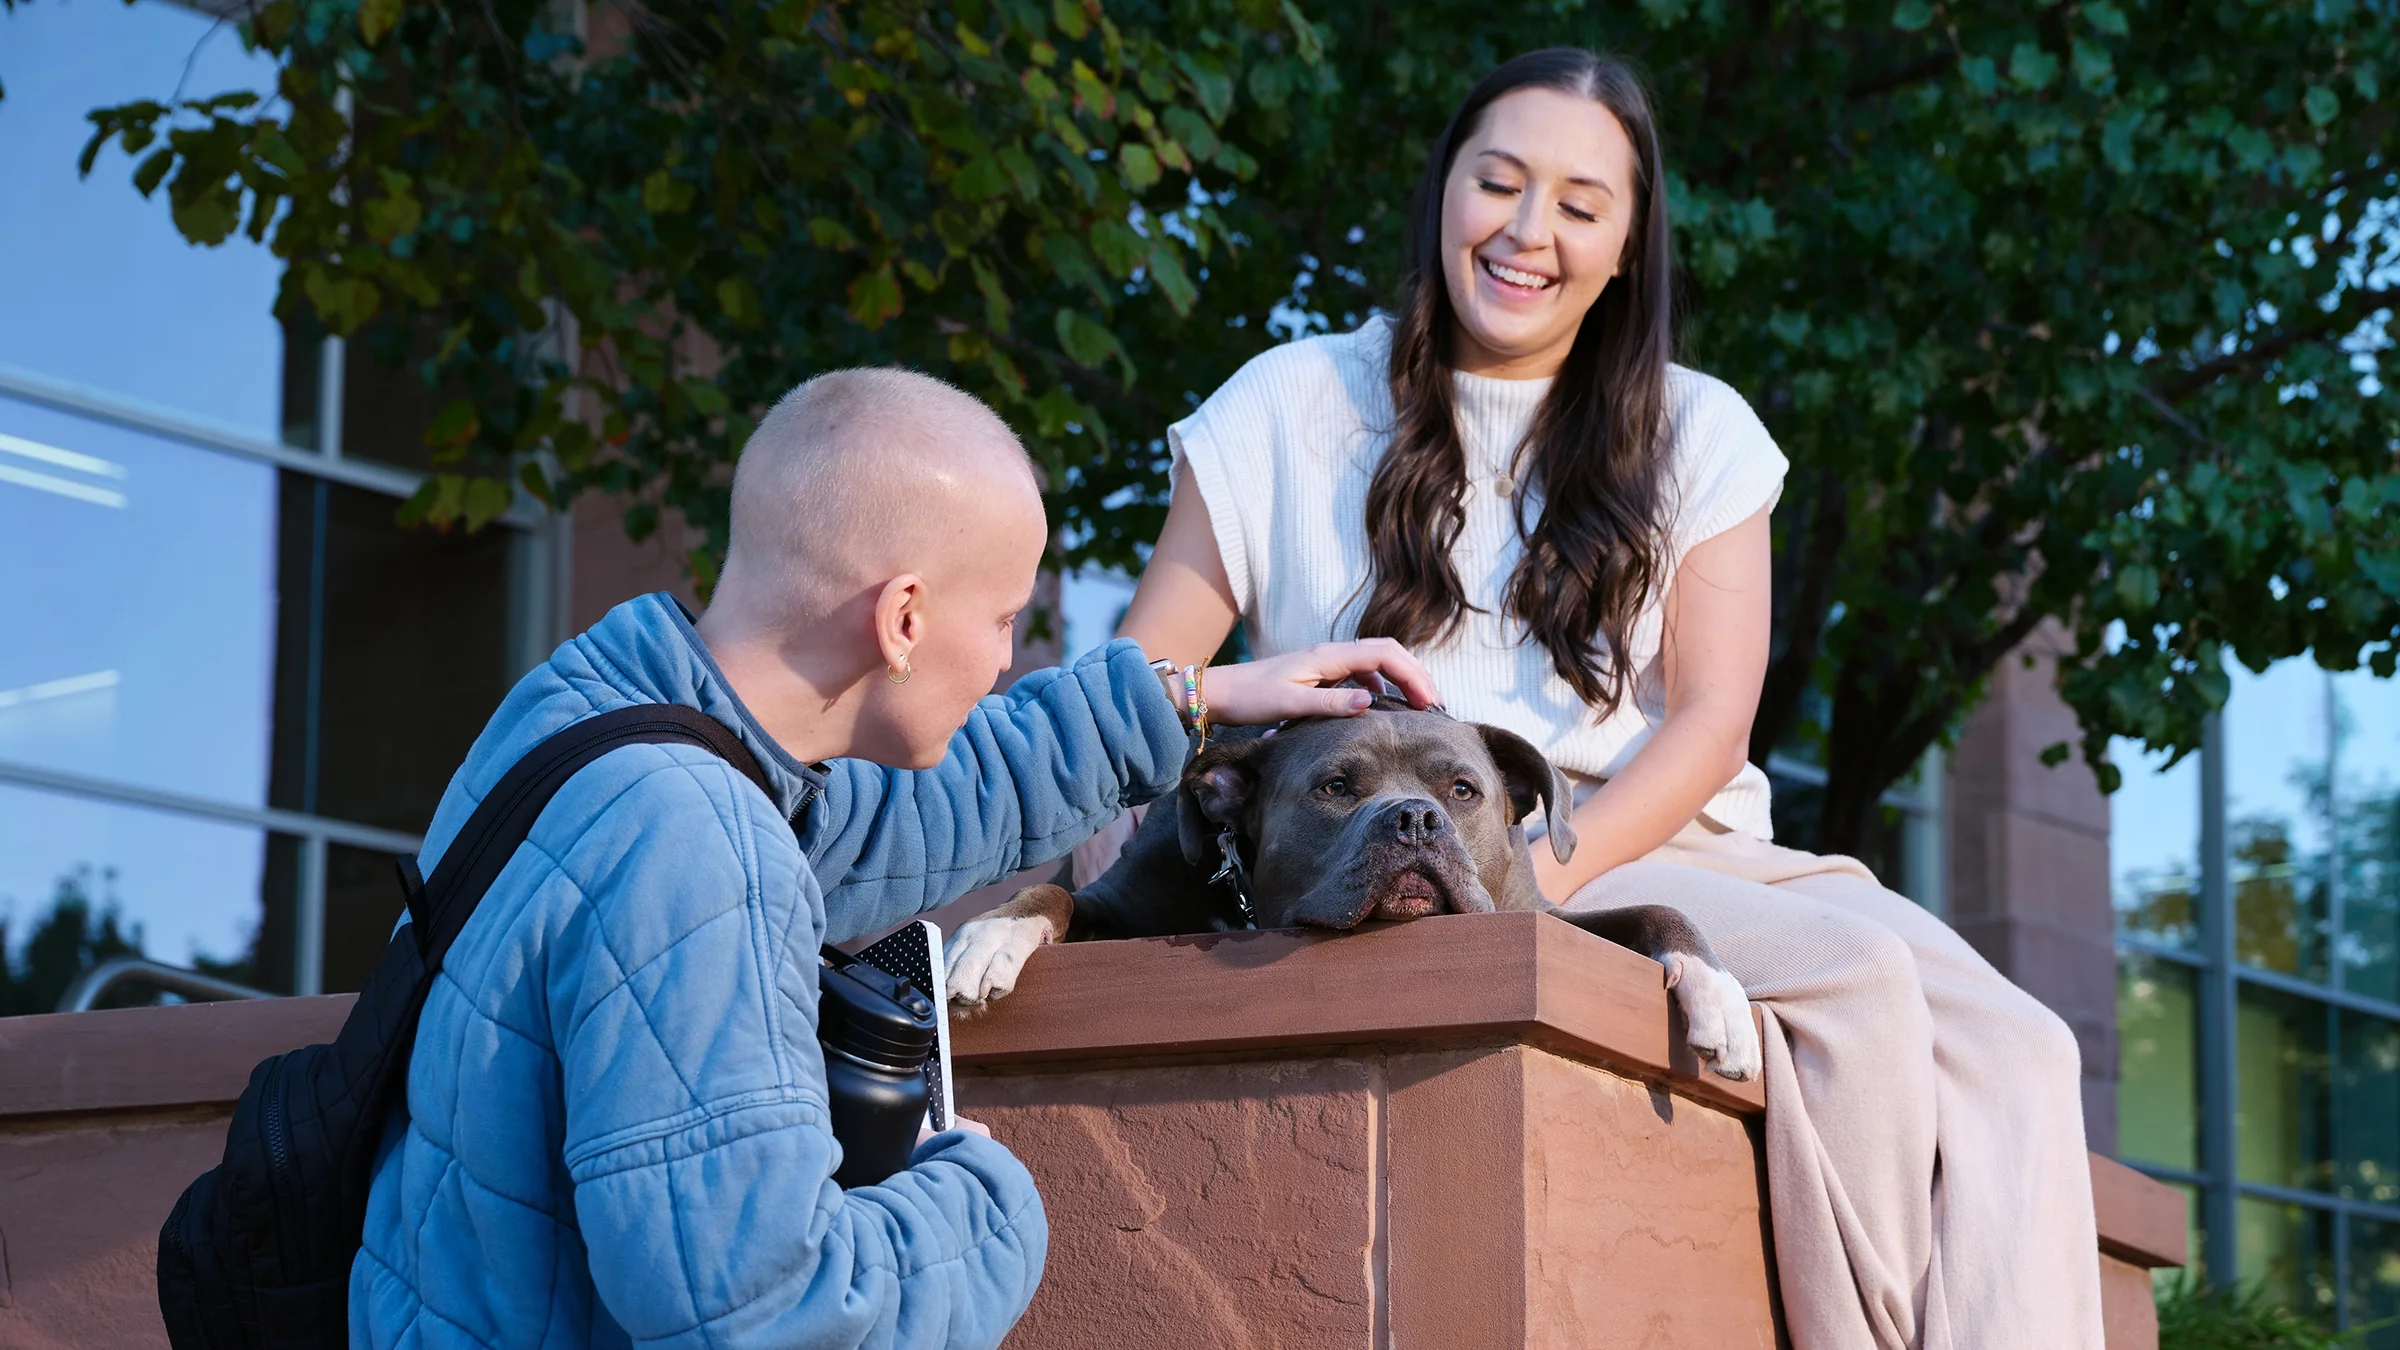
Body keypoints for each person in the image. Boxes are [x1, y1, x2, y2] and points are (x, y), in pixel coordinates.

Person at [1108, 48, 2103, 1350]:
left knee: (2027, 1050)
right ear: (1441, 195)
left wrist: (1537, 873)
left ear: (1630, 244)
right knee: (1857, 982)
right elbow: (1137, 681)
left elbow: (1709, 727)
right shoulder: (1290, 401)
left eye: (1581, 204)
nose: (1529, 233)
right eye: (1499, 184)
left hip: (1646, 839)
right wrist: (1247, 696)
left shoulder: (1701, 429)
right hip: (1380, 826)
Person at [349, 368, 1439, 1349]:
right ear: (904, 619)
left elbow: (888, 823)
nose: (1009, 655)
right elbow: (763, 1311)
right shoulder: (698, 839)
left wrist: (1190, 700)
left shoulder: (588, 723)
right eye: (1008, 616)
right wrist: (988, 1197)